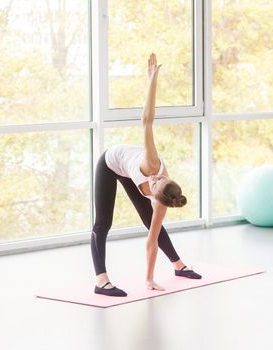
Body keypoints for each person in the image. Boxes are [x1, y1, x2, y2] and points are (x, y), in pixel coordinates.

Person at [91, 53, 202, 297]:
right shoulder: (151, 164)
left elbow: (150, 242)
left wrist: (149, 279)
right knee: (103, 223)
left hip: (130, 173)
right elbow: (147, 121)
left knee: (150, 223)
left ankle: (178, 266)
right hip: (111, 162)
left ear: (157, 196)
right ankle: (101, 280)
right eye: (157, 179)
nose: (154, 179)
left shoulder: (163, 201)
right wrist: (152, 80)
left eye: (155, 183)